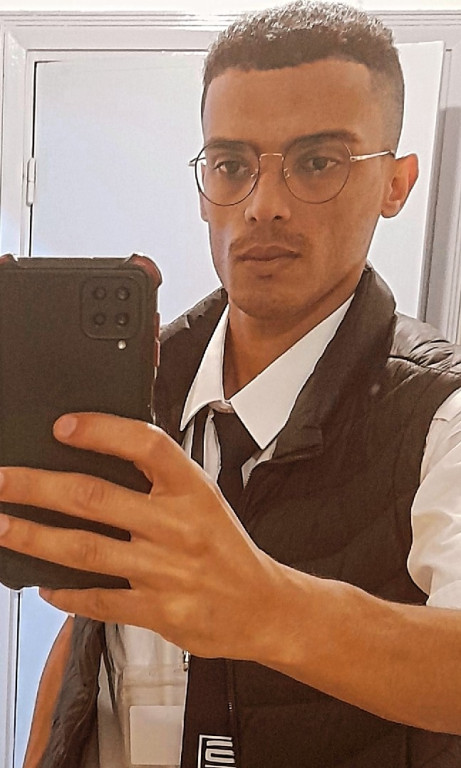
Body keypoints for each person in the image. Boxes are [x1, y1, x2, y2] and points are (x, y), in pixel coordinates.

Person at [2, 1, 461, 766]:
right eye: (231, 166)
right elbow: (90, 630)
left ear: (395, 182)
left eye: (317, 162)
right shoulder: (142, 381)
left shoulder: (439, 417)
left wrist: (268, 611)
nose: (262, 206)